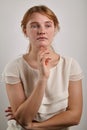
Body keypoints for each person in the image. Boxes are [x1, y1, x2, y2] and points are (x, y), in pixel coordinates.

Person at [2, 5, 83, 130]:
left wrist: (34, 126)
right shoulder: (13, 68)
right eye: (34, 26)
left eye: (48, 25)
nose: (42, 31)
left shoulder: (71, 65)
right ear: (25, 31)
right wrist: (42, 78)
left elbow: (75, 117)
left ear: (55, 29)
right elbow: (23, 119)